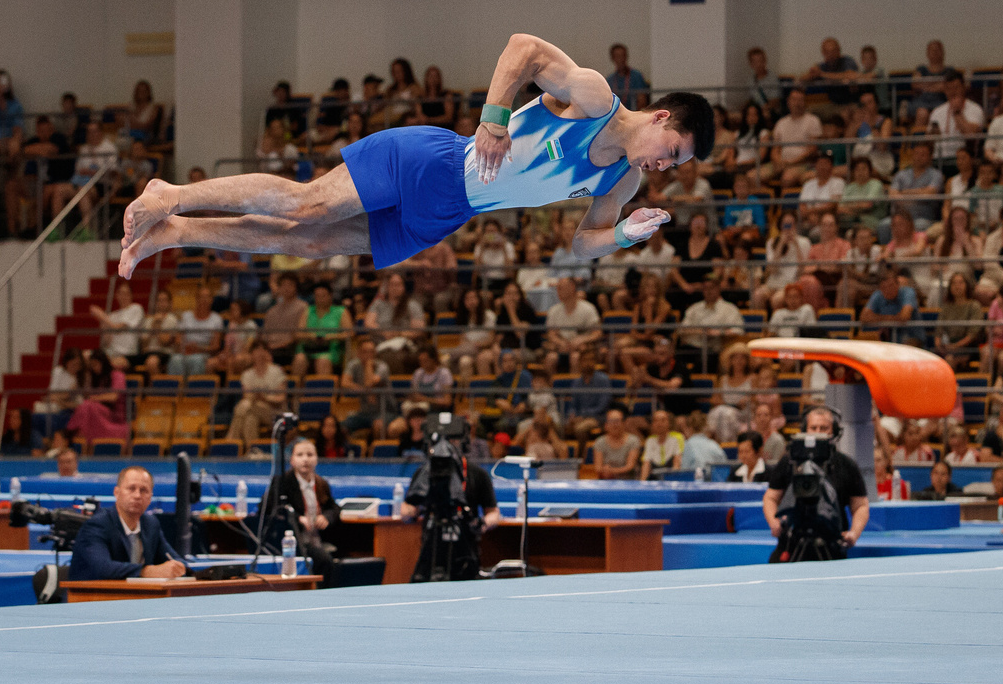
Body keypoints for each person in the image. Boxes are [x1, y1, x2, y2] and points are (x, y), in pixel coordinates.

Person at [117, 34, 713, 280]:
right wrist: (494, 117)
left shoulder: (622, 184)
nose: (666, 167)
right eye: (673, 152)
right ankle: (173, 193)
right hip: (432, 161)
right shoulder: (595, 99)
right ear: (661, 117)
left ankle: (173, 233)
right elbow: (524, 48)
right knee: (309, 205)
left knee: (312, 245)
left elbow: (582, 245)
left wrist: (624, 238)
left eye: (676, 167)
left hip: (448, 212)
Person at [762, 406, 869, 560]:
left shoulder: (846, 464)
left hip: (831, 545)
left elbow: (860, 505)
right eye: (813, 427)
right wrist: (774, 522)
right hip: (791, 543)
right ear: (805, 429)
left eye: (824, 428)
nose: (818, 431)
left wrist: (854, 533)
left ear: (834, 431)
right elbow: (771, 497)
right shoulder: (789, 461)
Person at [400, 421, 502, 582]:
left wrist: (483, 523)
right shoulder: (424, 473)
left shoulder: (478, 474)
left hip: (465, 550)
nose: (445, 446)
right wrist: (411, 511)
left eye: (452, 440)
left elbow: (493, 513)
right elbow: (407, 509)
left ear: (462, 443)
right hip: (432, 550)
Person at [69, 467, 187, 580]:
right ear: (117, 492)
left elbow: (173, 558)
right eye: (131, 489)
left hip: (137, 597)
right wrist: (147, 571)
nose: (137, 495)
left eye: (143, 490)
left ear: (150, 497)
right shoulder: (97, 525)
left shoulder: (150, 524)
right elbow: (103, 568)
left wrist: (178, 567)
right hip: (90, 597)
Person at [269, 438, 341, 582]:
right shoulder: (283, 482)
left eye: (310, 455)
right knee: (324, 560)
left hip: (318, 539)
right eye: (300, 455)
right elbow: (274, 509)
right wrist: (297, 518)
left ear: (316, 459)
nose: (305, 459)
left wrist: (326, 517)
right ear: (292, 460)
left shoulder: (321, 483)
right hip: (294, 542)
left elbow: (334, 509)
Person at [226, 341, 287, 445]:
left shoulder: (276, 371)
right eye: (256, 350)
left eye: (262, 349)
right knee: (250, 418)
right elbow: (247, 396)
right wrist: (256, 397)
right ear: (251, 354)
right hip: (253, 408)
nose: (259, 353)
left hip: (275, 412)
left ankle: (231, 440)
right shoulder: (247, 374)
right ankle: (253, 450)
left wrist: (264, 398)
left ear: (267, 352)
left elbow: (281, 398)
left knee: (245, 406)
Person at [767, 88, 822, 189]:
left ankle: (785, 204)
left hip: (803, 164)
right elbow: (775, 149)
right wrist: (778, 161)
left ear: (805, 102)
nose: (797, 103)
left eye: (800, 100)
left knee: (787, 179)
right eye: (794, 99)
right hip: (781, 163)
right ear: (788, 102)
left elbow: (812, 149)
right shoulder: (781, 123)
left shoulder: (812, 120)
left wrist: (792, 162)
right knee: (752, 176)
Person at [88, 280, 145, 363]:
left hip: (128, 354)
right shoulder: (112, 316)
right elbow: (107, 342)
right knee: (86, 357)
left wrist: (102, 316)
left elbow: (118, 329)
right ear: (117, 295)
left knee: (111, 364)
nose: (124, 296)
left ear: (131, 295)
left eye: (126, 293)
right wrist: (102, 321)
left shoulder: (136, 309)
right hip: (110, 352)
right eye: (121, 293)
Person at [592, 408, 642, 479]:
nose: (614, 425)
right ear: (606, 425)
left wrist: (611, 471)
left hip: (628, 483)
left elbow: (630, 466)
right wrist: (606, 471)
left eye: (617, 421)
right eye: (611, 421)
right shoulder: (599, 442)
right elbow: (598, 468)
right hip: (605, 482)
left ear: (624, 423)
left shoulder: (633, 441)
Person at [639, 409, 683, 481]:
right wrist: (642, 483)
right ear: (652, 424)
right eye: (656, 421)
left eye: (663, 420)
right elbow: (646, 464)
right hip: (654, 480)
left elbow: (677, 464)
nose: (659, 423)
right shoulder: (650, 441)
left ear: (669, 423)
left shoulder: (675, 440)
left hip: (670, 480)